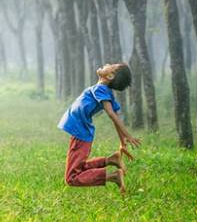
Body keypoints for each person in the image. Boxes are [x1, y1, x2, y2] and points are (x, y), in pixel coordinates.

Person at [58, 63, 141, 194]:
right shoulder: (104, 91)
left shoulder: (101, 89)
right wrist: (122, 142)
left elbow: (111, 114)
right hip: (81, 132)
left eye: (111, 66)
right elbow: (114, 116)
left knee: (71, 178)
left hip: (80, 133)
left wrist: (127, 135)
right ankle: (111, 160)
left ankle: (113, 177)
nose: (107, 64)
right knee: (79, 167)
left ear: (110, 75)